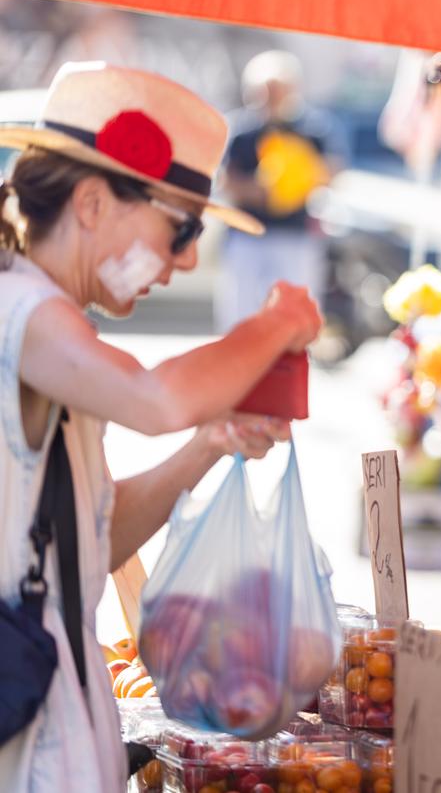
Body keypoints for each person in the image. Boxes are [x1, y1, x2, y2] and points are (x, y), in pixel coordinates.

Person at [0, 62, 321, 791]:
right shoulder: (20, 309)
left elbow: (93, 541)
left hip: (60, 727)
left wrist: (209, 444)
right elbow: (153, 400)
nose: (184, 260)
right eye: (180, 228)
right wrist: (276, 323)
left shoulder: (56, 331)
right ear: (91, 202)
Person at [218, 49, 346, 330]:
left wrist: (296, 182)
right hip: (248, 234)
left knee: (294, 313)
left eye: (277, 91)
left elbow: (333, 172)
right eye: (264, 92)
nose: (270, 99)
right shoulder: (241, 130)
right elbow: (226, 179)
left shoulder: (313, 129)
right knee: (242, 312)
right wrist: (260, 191)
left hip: (295, 234)